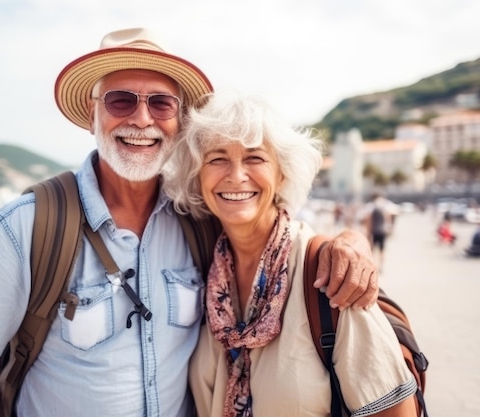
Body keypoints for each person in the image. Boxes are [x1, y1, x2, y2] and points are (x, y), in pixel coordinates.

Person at [0, 28, 382, 417]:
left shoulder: (199, 217)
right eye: (120, 100)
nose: (141, 118)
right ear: (93, 114)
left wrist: (348, 240)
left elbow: (275, 228)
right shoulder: (22, 229)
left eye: (161, 103)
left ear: (179, 121)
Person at [163, 90, 417, 417]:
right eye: (217, 158)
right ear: (197, 177)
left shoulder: (330, 276)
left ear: (281, 173)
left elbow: (396, 411)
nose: (236, 175)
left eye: (255, 158)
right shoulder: (203, 269)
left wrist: (352, 241)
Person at [360, 192, 398, 271]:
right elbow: (389, 218)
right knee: (382, 249)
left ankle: (372, 265)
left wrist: (367, 231)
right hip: (382, 231)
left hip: (374, 232)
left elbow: (368, 219)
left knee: (372, 249)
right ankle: (381, 266)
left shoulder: (371, 207)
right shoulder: (385, 207)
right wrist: (390, 228)